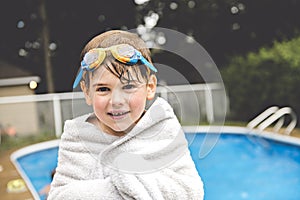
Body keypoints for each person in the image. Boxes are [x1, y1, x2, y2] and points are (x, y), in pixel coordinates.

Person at [48, 30, 204, 199]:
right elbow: (59, 196)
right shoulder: (78, 138)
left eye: (128, 87)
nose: (116, 100)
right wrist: (127, 185)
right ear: (87, 92)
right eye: (103, 89)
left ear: (150, 87)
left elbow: (191, 192)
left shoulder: (164, 128)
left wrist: (126, 173)